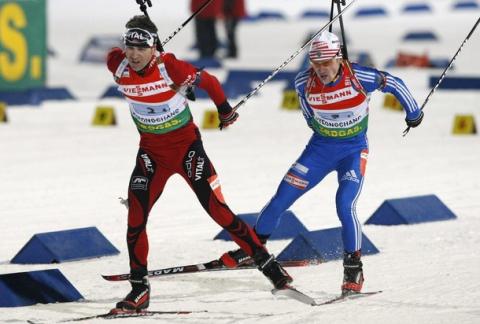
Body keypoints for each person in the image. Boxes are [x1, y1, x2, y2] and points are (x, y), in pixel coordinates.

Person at [106, 15, 292, 313]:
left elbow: (212, 82)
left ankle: (270, 267)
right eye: (130, 47)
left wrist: (225, 111)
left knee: (218, 211)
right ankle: (139, 290)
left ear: (153, 49)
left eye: (142, 49)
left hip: (186, 150)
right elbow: (126, 53)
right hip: (151, 154)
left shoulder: (171, 67)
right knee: (135, 218)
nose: (134, 55)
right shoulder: (116, 64)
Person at [219, 31, 424, 296]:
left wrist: (414, 114)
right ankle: (253, 250)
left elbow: (394, 83)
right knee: (281, 198)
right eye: (316, 64)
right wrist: (325, 127)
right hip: (319, 150)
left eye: (326, 62)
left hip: (353, 151)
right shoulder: (304, 81)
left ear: (339, 57)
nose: (321, 70)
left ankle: (354, 269)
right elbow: (308, 115)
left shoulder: (359, 76)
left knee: (344, 204)